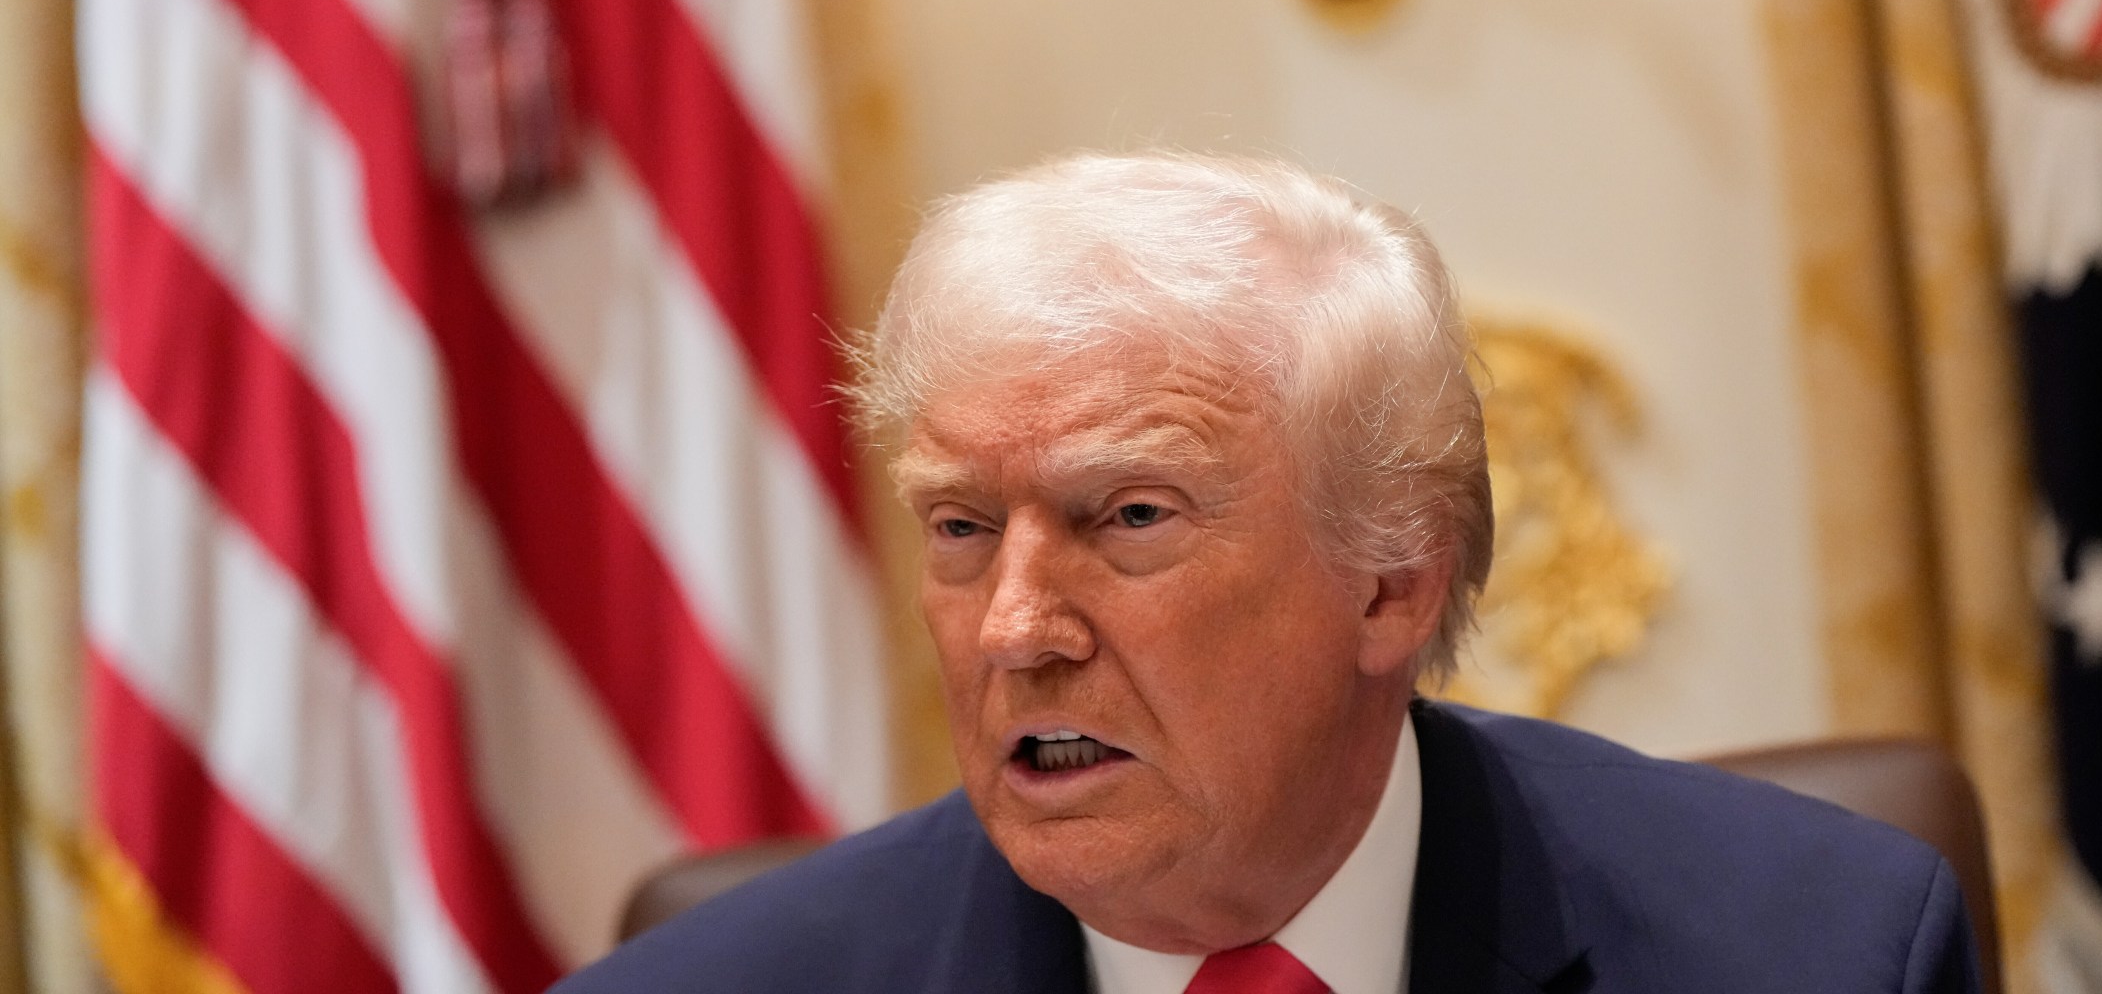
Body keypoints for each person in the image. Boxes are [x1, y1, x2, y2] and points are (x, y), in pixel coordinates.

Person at [559, 152, 1979, 994]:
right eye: (961, 528)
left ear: (1393, 583)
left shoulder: (1819, 955)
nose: (1013, 632)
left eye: (1126, 519)